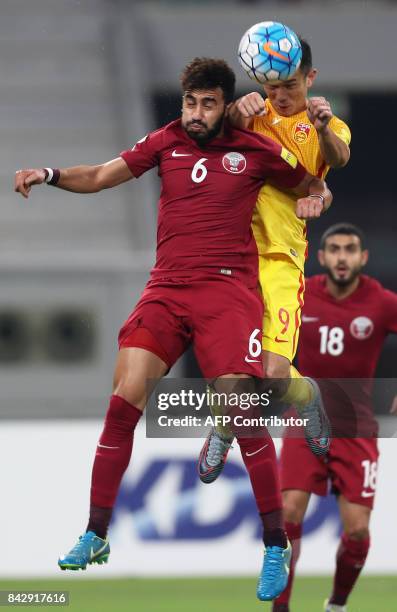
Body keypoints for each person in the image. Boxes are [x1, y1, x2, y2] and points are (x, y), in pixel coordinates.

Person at [14, 57, 331, 602]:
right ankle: (96, 533)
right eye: (190, 102)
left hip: (226, 290)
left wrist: (317, 196)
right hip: (166, 287)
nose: (197, 113)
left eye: (208, 103)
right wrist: (50, 174)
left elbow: (313, 185)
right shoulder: (165, 141)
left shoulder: (254, 151)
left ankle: (274, 543)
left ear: (223, 104)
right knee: (125, 394)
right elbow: (101, 175)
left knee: (239, 407)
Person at [198, 37, 349, 480]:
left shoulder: (328, 124)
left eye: (289, 85)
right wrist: (230, 115)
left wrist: (321, 128)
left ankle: (307, 397)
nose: (279, 96)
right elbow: (205, 139)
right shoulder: (250, 116)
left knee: (273, 375)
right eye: (270, 88)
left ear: (311, 79)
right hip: (229, 260)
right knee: (234, 375)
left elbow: (336, 161)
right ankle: (224, 430)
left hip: (282, 259)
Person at [273, 223, 397, 612]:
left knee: (358, 531)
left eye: (350, 250)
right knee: (287, 515)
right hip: (303, 420)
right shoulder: (301, 294)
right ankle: (281, 608)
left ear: (362, 258)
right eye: (335, 249)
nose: (342, 257)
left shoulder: (381, 302)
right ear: (321, 257)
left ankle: (337, 604)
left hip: (356, 429)